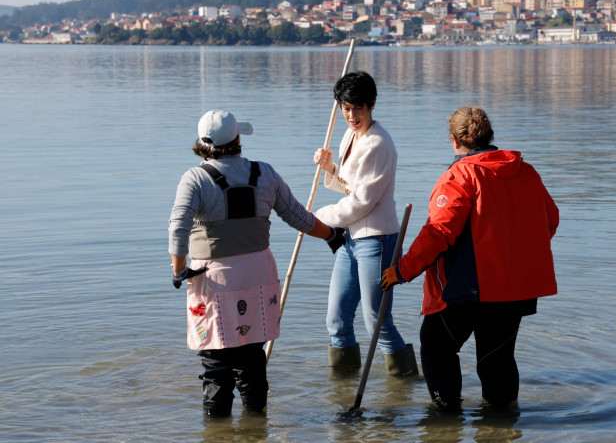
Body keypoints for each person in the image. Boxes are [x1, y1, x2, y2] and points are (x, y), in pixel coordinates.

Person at [169, 109, 345, 417]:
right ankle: (256, 426)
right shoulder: (265, 173)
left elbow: (178, 228)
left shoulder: (194, 179)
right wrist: (331, 235)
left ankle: (218, 435)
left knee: (216, 365)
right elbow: (298, 216)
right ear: (238, 139)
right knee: (252, 358)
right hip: (258, 277)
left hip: (213, 281)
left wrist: (179, 269)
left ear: (202, 143)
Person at [381, 106, 559, 411]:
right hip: (514, 288)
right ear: (490, 136)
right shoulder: (525, 171)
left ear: (454, 140)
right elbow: (550, 220)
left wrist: (402, 271)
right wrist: (512, 253)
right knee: (497, 358)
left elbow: (438, 232)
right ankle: (502, 424)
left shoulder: (460, 175)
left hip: (468, 288)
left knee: (437, 347)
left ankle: (446, 420)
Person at [312, 71, 418, 376]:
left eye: (357, 107)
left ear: (371, 104)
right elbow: (349, 186)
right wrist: (330, 166)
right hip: (350, 239)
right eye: (345, 107)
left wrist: (316, 220)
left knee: (377, 321)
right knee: (336, 319)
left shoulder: (379, 143)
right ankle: (343, 384)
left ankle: (404, 383)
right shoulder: (349, 135)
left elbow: (361, 203)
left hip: (377, 240)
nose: (351, 115)